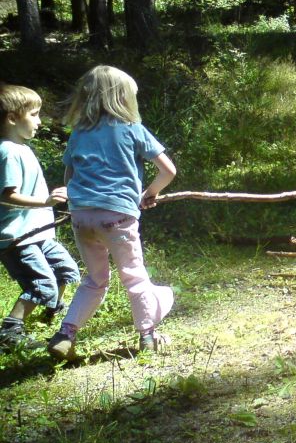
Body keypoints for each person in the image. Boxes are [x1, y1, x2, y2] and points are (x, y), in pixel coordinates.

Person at [47, 66, 177, 361]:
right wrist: (150, 193)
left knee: (94, 280)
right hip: (117, 216)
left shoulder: (79, 133)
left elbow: (69, 179)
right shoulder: (132, 129)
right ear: (124, 98)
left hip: (81, 217)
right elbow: (168, 170)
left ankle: (65, 334)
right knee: (134, 276)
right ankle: (147, 335)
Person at [0, 85, 80, 349]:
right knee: (41, 284)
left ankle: (51, 308)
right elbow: (7, 195)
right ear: (12, 118)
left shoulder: (21, 147)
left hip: (39, 232)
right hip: (18, 236)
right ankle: (10, 332)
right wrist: (45, 202)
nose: (39, 120)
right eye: (34, 114)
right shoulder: (8, 152)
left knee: (67, 271)